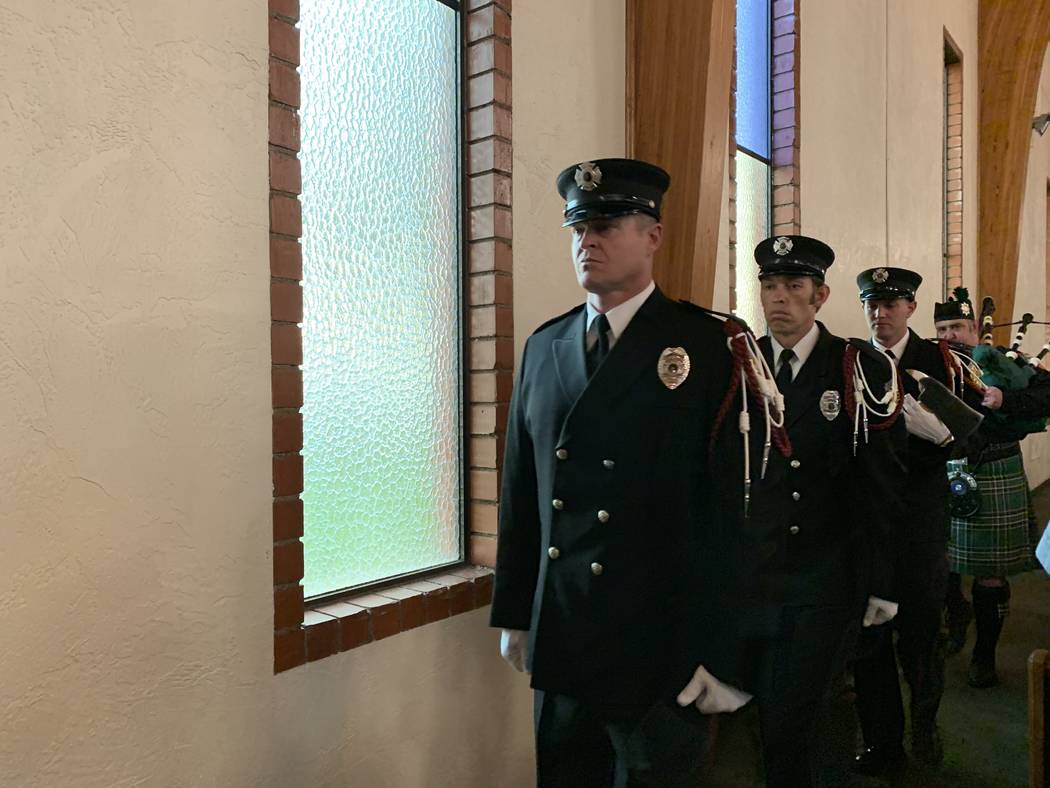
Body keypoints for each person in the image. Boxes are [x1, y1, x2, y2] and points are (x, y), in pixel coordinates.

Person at [489, 158, 750, 788]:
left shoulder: (708, 346)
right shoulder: (545, 345)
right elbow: (521, 491)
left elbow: (734, 510)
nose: (587, 239)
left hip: (660, 645)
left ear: (653, 236)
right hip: (566, 636)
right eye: (577, 226)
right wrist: (518, 612)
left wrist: (723, 650)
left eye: (606, 223)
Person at [715, 237, 907, 787]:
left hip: (824, 572)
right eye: (770, 287)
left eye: (794, 287)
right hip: (755, 570)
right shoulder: (737, 363)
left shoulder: (855, 366)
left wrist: (882, 582)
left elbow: (880, 484)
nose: (780, 300)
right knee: (759, 707)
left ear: (819, 295)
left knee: (798, 708)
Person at [850, 267, 957, 775]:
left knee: (918, 635)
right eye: (873, 304)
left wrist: (942, 437)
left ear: (911, 307)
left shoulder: (937, 359)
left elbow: (975, 433)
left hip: (918, 523)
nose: (880, 313)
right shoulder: (853, 362)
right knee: (870, 640)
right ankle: (882, 742)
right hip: (869, 525)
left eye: (891, 304)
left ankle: (925, 723)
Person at [935, 287, 1050, 688]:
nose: (951, 335)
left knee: (990, 575)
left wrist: (1007, 400)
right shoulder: (928, 364)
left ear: (973, 328)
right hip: (945, 472)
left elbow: (1047, 394)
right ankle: (956, 616)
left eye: (958, 327)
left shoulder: (1005, 362)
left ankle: (984, 655)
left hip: (995, 468)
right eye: (943, 328)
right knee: (941, 564)